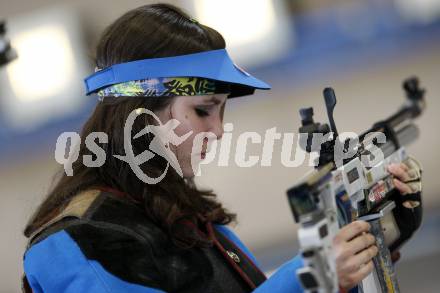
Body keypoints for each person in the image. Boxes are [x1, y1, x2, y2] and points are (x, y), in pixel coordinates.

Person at [21, 4, 423, 293]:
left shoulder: (186, 220)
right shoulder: (79, 242)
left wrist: (370, 240)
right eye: (202, 111)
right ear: (139, 114)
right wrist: (312, 274)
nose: (218, 131)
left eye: (221, 112)